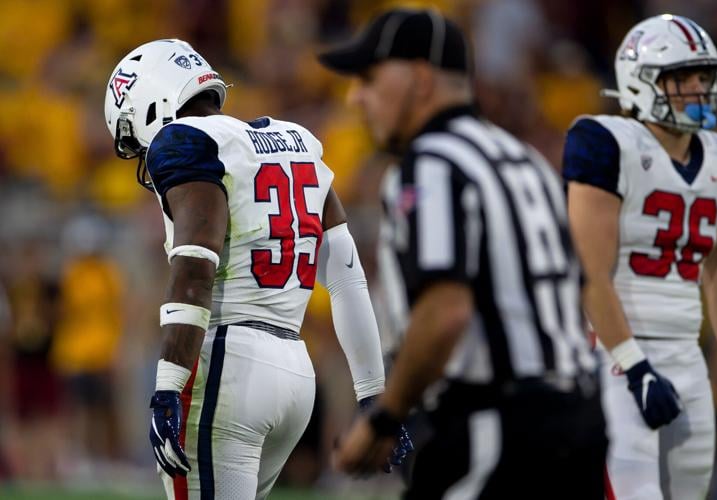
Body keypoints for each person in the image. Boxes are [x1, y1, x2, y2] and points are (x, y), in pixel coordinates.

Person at [319, 8, 607, 499]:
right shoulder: (524, 159)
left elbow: (444, 312)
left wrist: (384, 417)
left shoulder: (432, 164)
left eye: (369, 79)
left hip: (497, 425)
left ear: (420, 78)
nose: (355, 97)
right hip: (579, 418)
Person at [103, 39, 410, 499]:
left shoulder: (185, 141)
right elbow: (347, 277)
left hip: (228, 367)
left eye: (135, 138)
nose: (144, 154)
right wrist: (372, 393)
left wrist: (167, 385)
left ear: (151, 104)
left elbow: (195, 267)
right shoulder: (296, 141)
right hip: (296, 372)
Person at [562, 14, 717, 500]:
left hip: (686, 355)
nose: (699, 88)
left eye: (704, 76)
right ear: (641, 81)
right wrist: (634, 366)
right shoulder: (606, 142)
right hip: (613, 356)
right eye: (683, 76)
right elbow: (591, 273)